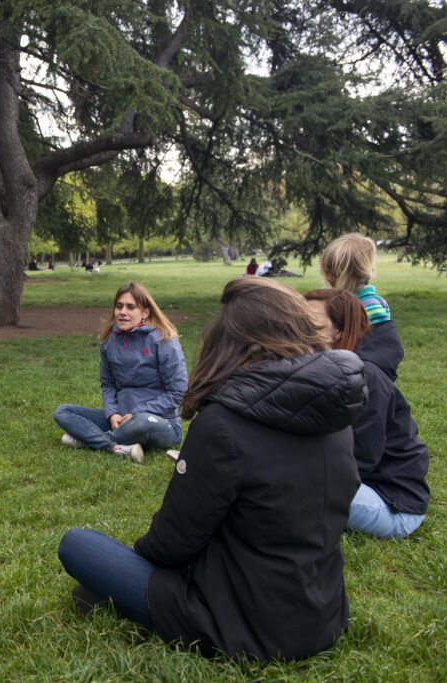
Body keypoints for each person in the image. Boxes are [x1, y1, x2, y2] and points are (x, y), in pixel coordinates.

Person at [58, 278, 367, 662]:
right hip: (323, 614)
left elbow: (172, 543)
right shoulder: (336, 411)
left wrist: (135, 569)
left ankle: (124, 597)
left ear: (229, 345)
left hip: (240, 624)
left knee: (78, 545)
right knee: (94, 587)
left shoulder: (223, 424)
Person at [304, 289, 430, 539]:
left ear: (338, 332)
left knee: (283, 486)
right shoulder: (323, 368)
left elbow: (360, 456)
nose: (300, 329)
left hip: (393, 505)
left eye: (312, 323)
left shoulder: (366, 377)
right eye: (297, 320)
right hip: (362, 484)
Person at [53, 282, 187, 463]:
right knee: (63, 412)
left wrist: (137, 413)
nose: (123, 312)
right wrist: (112, 413)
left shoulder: (164, 340)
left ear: (145, 313)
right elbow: (108, 383)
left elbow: (178, 391)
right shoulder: (109, 341)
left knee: (142, 422)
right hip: (119, 419)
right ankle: (116, 447)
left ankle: (87, 439)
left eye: (131, 307)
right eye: (119, 306)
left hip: (158, 422)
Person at [320, 233, 392, 326]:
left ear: (352, 274)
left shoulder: (369, 306)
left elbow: (381, 338)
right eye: (326, 272)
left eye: (333, 273)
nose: (328, 278)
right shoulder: (344, 302)